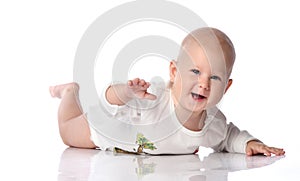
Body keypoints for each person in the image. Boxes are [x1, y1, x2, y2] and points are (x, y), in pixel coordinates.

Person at [50, 27, 285, 156]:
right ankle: (70, 92)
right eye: (195, 71)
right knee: (68, 132)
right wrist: (127, 92)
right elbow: (111, 99)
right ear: (174, 72)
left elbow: (228, 137)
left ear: (227, 87)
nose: (204, 84)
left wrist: (249, 143)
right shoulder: (154, 97)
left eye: (214, 77)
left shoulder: (212, 122)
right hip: (102, 129)